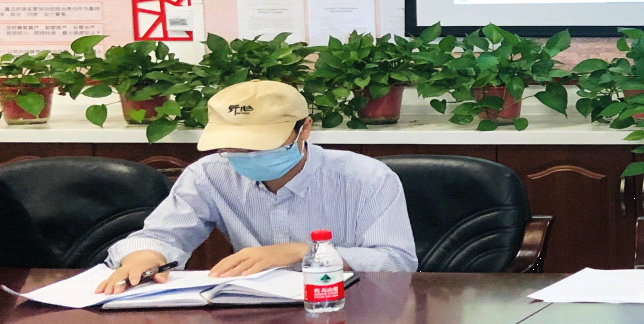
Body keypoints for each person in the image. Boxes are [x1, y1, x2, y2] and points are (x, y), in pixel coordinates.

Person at [97, 81, 416, 293]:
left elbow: (397, 263)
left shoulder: (367, 179)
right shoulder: (209, 174)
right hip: (253, 311)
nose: (246, 155)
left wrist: (303, 252)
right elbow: (162, 236)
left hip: (348, 308)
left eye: (261, 144)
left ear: (304, 129)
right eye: (233, 146)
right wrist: (144, 256)